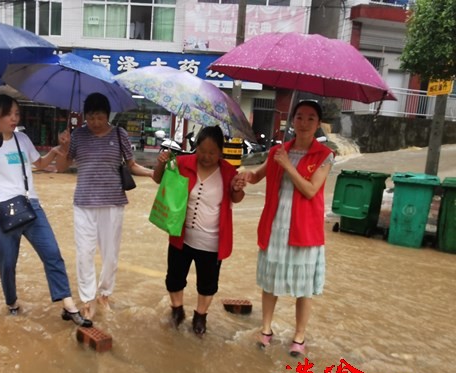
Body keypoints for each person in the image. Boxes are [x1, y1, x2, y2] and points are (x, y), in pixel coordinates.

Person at [0, 94, 91, 327]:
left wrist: (55, 150)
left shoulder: (22, 139)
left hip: (30, 205)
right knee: (7, 264)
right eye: (9, 114)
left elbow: (40, 165)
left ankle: (68, 304)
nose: (14, 118)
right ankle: (12, 303)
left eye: (17, 114)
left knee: (52, 253)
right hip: (0, 210)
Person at [239, 99, 334, 357]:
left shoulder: (325, 156)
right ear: (292, 120)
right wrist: (244, 176)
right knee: (270, 282)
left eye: (310, 118)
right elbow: (258, 175)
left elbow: (311, 190)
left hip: (304, 228)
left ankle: (299, 336)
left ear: (318, 124)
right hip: (276, 225)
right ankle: (266, 329)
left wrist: (288, 166)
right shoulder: (277, 151)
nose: (304, 123)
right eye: (300, 117)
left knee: (303, 287)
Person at [54, 92, 154, 320]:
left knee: (110, 254)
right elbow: (60, 167)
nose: (95, 122)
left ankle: (104, 294)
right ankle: (88, 299)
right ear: (85, 116)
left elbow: (132, 165)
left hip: (113, 202)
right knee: (84, 253)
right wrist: (64, 147)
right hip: (84, 203)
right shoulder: (77, 136)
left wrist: (151, 173)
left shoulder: (120, 134)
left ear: (107, 116)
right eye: (90, 117)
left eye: (99, 117)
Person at [153, 125, 246, 336]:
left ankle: (200, 315)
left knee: (207, 283)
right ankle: (177, 310)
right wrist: (161, 163)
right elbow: (158, 179)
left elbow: (236, 198)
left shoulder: (229, 171)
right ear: (196, 148)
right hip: (181, 236)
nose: (206, 156)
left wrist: (238, 188)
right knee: (174, 278)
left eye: (212, 153)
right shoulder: (182, 163)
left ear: (221, 152)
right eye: (202, 151)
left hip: (212, 241)